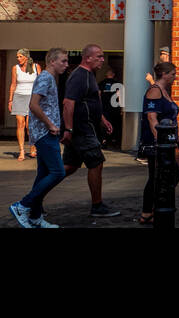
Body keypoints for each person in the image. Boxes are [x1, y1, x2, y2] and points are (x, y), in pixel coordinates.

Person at [9, 47, 71, 229]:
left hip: (44, 132)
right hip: (45, 133)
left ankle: (35, 216)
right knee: (58, 172)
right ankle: (22, 205)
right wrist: (51, 124)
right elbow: (33, 105)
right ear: (52, 61)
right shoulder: (45, 78)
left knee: (44, 174)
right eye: (63, 61)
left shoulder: (48, 78)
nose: (66, 65)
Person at [62, 44, 120, 218]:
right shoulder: (78, 76)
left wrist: (102, 119)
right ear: (88, 58)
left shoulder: (90, 76)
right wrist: (68, 129)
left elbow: (90, 101)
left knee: (69, 167)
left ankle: (36, 196)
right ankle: (97, 205)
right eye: (99, 57)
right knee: (96, 163)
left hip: (88, 128)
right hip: (81, 129)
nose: (102, 60)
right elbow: (68, 103)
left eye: (102, 57)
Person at [138, 60, 179, 225]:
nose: (175, 77)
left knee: (163, 175)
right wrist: (159, 140)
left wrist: (175, 137)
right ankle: (148, 211)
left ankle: (151, 209)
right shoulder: (154, 91)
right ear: (164, 74)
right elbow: (151, 117)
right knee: (158, 176)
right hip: (156, 143)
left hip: (167, 141)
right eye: (173, 74)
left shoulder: (163, 90)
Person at [8, 49, 38, 161]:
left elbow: (40, 83)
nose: (18, 59)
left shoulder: (36, 67)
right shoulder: (15, 68)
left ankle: (32, 147)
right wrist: (10, 100)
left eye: (20, 56)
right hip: (19, 96)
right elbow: (13, 84)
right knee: (20, 123)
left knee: (29, 125)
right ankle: (21, 150)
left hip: (32, 98)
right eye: (17, 57)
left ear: (26, 57)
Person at [99, 64, 123, 146]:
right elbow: (120, 96)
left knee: (104, 123)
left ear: (106, 74)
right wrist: (121, 108)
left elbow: (98, 95)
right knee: (115, 123)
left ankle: (104, 139)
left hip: (104, 107)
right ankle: (114, 140)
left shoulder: (101, 83)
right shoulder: (118, 84)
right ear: (113, 74)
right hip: (114, 107)